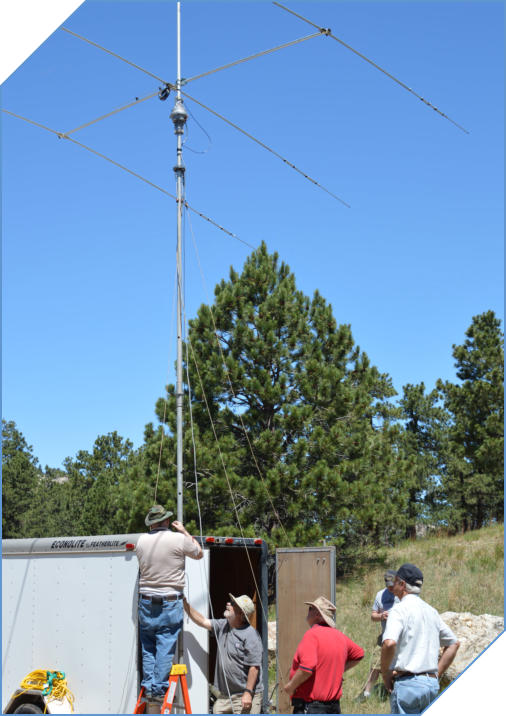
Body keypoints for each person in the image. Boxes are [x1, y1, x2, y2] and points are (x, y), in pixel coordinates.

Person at [136, 504, 203, 714]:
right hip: (169, 600)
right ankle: (157, 691)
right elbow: (198, 553)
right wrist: (183, 531)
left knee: (148, 646)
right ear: (166, 521)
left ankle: (148, 687)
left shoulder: (141, 541)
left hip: (146, 600)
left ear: (151, 522)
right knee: (165, 644)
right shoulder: (177, 539)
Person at [381, 563, 460, 714]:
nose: (392, 585)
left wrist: (386, 674)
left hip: (408, 684)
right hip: (430, 686)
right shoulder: (431, 611)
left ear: (402, 584)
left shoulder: (398, 610)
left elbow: (389, 643)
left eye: (395, 581)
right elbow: (454, 643)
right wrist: (436, 674)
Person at [183, 593, 264, 714]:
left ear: (241, 614)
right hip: (225, 696)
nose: (228, 604)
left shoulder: (251, 636)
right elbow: (202, 621)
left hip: (245, 695)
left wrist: (248, 692)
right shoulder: (223, 625)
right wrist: (184, 604)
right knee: (217, 710)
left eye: (233, 604)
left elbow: (254, 667)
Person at [283, 596, 364, 714]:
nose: (308, 611)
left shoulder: (312, 635)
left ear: (317, 614)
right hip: (333, 707)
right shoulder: (340, 636)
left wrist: (290, 686)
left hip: (311, 707)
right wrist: (338, 671)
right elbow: (359, 654)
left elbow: (307, 668)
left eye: (310, 608)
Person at [359, 569, 399, 700]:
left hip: (402, 637)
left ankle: (394, 691)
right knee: (376, 663)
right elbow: (373, 616)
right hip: (385, 636)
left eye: (393, 585)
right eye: (389, 585)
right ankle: (366, 693)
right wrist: (381, 616)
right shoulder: (380, 595)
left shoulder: (403, 595)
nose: (391, 588)